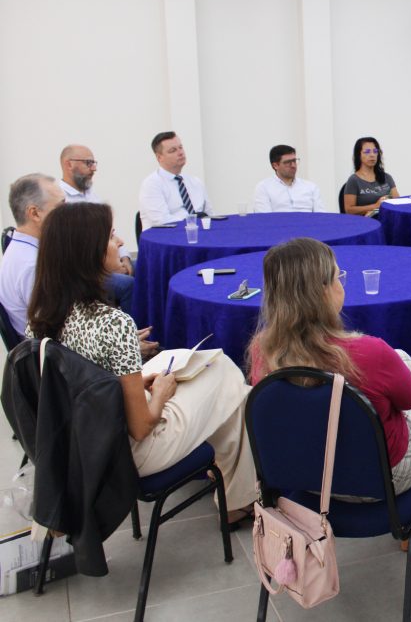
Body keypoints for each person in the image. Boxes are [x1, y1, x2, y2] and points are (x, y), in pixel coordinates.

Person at [26, 202, 256, 520]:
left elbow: (85, 382)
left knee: (219, 380)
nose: (121, 242)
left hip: (81, 447)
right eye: (111, 236)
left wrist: (128, 383)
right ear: (89, 252)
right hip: (129, 453)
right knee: (225, 372)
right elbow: (141, 426)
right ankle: (237, 497)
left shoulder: (41, 319)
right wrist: (160, 393)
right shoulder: (112, 323)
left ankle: (235, 493)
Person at [247, 237, 411, 496]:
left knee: (394, 367)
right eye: (338, 277)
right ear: (322, 291)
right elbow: (409, 399)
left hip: (307, 479)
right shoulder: (369, 352)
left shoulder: (262, 351)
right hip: (382, 481)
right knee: (404, 368)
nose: (341, 284)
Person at [58, 144, 136, 316]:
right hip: (87, 272)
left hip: (109, 259)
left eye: (94, 163)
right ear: (69, 164)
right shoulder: (61, 201)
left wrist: (124, 257)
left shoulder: (90, 194)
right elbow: (75, 252)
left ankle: (156, 322)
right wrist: (110, 267)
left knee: (145, 266)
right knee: (127, 285)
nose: (94, 168)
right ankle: (134, 330)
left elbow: (110, 232)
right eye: (88, 163)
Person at [0, 174, 64, 335]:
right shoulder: (32, 265)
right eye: (61, 208)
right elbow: (55, 330)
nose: (67, 214)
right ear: (34, 213)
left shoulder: (18, 249)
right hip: (49, 346)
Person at [138, 131, 211, 229]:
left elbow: (210, 216)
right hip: (167, 235)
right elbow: (162, 221)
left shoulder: (195, 182)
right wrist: (193, 223)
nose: (180, 153)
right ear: (159, 157)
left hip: (199, 234)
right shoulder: (151, 184)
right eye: (173, 150)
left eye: (180, 147)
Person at [252, 144, 326, 213]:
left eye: (294, 161)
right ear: (275, 165)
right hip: (278, 223)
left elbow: (321, 217)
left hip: (309, 223)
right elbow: (264, 218)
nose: (293, 165)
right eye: (288, 162)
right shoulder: (264, 188)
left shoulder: (311, 187)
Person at [342, 137, 399, 216]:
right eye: (367, 152)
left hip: (387, 218)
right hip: (366, 221)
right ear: (359, 155)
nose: (372, 155)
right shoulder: (354, 180)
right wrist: (375, 206)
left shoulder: (387, 177)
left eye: (375, 151)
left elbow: (398, 201)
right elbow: (349, 210)